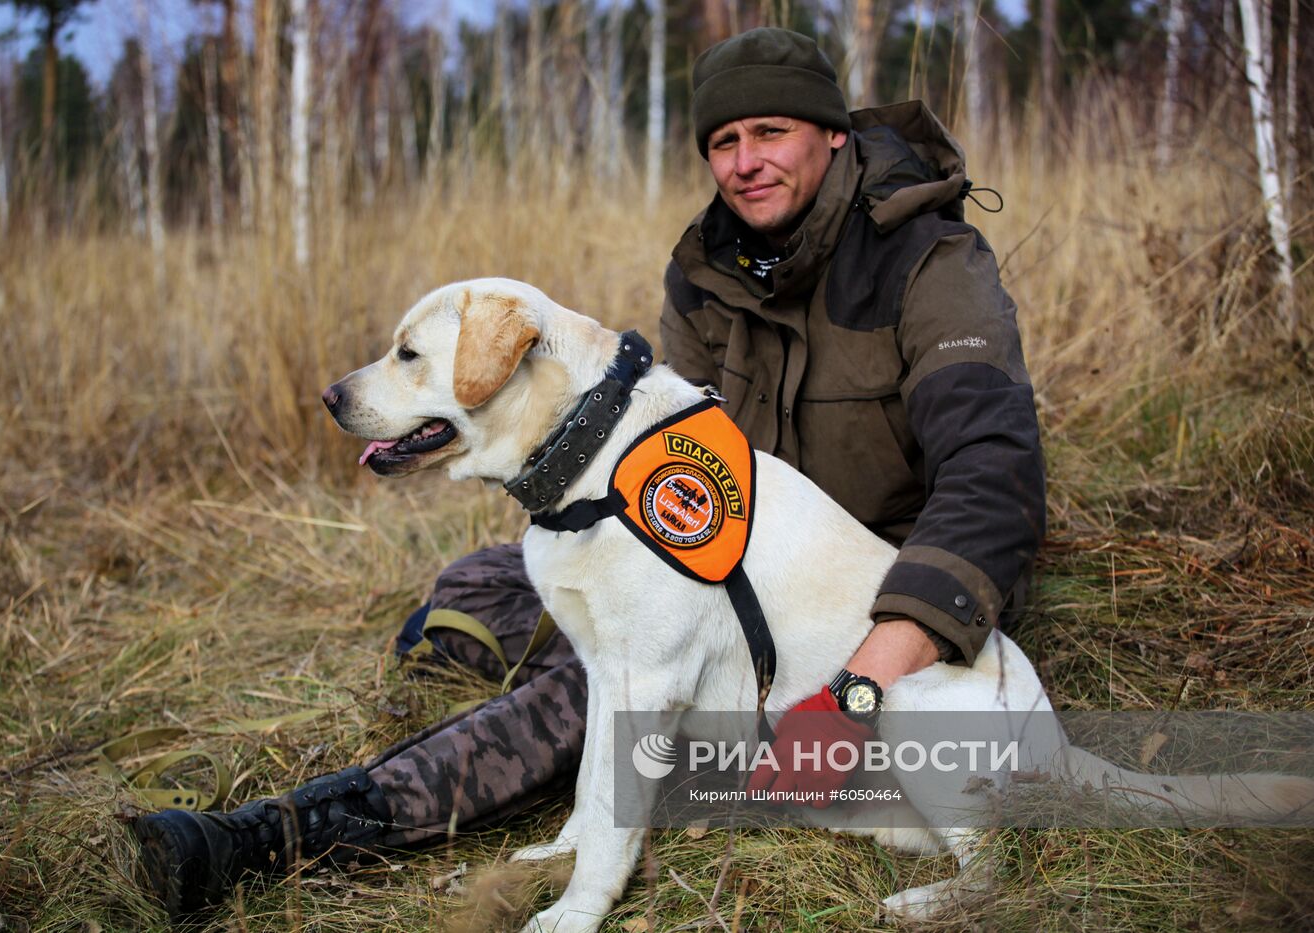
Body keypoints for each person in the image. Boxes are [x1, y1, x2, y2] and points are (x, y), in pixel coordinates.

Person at [132, 26, 1045, 920]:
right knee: (494, 585)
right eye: (724, 141)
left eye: (771, 132)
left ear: (834, 134)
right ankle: (550, 743)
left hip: (872, 595)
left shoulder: (930, 261)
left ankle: (303, 828)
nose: (745, 160)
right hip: (718, 558)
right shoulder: (706, 270)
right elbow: (664, 466)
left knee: (598, 679)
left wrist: (860, 685)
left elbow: (991, 481)